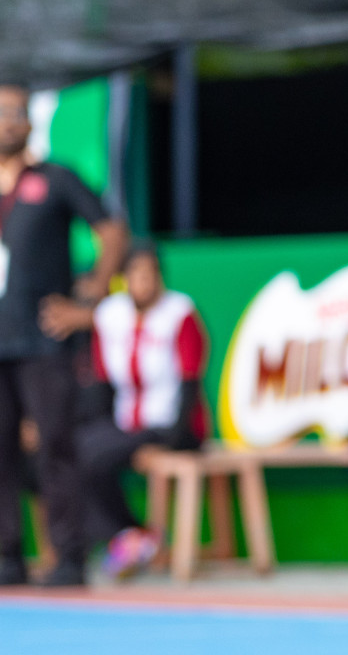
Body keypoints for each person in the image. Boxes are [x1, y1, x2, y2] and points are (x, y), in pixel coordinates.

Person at [0, 83, 128, 588]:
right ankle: (7, 556)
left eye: (16, 112)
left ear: (31, 123)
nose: (8, 121)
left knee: (55, 445)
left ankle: (69, 557)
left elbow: (111, 232)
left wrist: (89, 301)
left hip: (44, 339)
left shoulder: (55, 180)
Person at [78, 243, 209, 578]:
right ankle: (132, 533)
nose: (143, 283)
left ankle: (132, 536)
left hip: (173, 424)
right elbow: (102, 385)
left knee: (95, 453)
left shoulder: (179, 313)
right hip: (127, 425)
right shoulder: (111, 315)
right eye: (135, 275)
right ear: (124, 279)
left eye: (149, 276)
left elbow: (190, 382)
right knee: (78, 450)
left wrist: (174, 439)